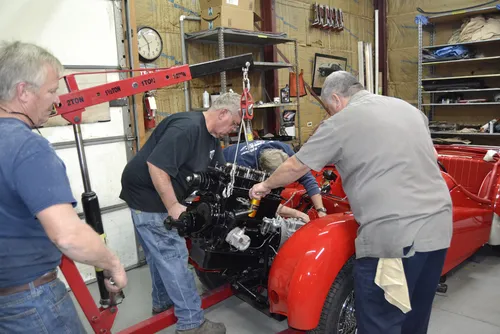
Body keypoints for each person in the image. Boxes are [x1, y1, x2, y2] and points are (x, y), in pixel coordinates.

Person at [249, 71, 452, 334]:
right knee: (414, 316)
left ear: (336, 98)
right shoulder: (408, 110)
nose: (329, 114)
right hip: (439, 227)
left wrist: (264, 186)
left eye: (328, 108)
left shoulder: (342, 122)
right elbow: (432, 154)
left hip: (395, 239)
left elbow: (295, 166)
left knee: (381, 320)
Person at [0, 41, 127, 333]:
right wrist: (113, 263)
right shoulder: (27, 147)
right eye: (51, 90)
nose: (57, 101)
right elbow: (68, 236)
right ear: (23, 92)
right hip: (30, 302)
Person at [119, 92, 242, 334]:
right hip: (148, 196)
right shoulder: (188, 128)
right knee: (173, 254)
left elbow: (219, 176)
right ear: (223, 113)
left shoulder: (212, 139)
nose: (233, 130)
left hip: (155, 194)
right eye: (234, 124)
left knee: (159, 255)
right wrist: (174, 206)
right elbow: (156, 166)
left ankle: (162, 303)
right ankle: (191, 323)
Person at [223, 140, 327, 222]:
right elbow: (260, 203)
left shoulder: (284, 149)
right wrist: (298, 214)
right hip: (222, 165)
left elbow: (308, 179)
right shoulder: (244, 167)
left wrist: (320, 210)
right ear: (264, 173)